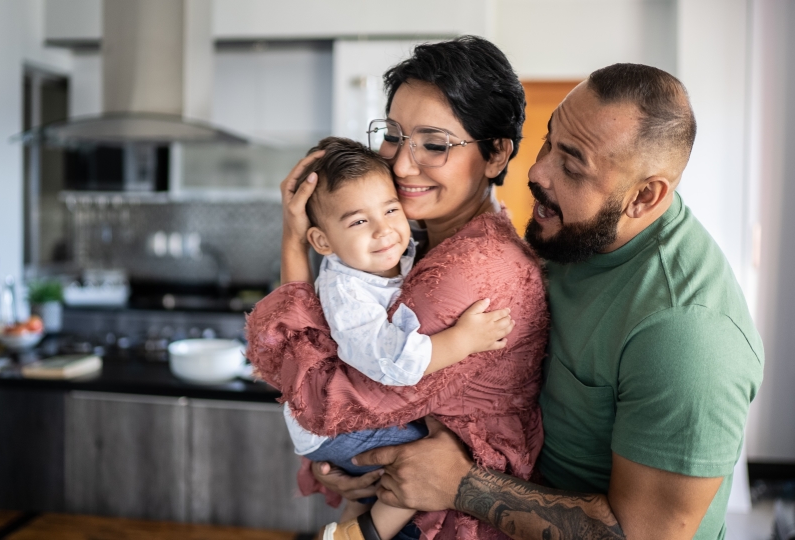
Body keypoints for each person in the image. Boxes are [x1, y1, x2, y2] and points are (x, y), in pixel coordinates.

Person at [351, 64, 765, 540]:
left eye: (571, 165)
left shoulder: (688, 335)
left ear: (645, 197)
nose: (536, 171)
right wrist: (376, 465)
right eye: (548, 141)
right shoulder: (572, 235)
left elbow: (644, 535)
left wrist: (459, 484)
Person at [245, 36, 549, 540]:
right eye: (393, 135)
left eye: (434, 144)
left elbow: (324, 404)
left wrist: (294, 246)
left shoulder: (467, 273)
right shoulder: (415, 243)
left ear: (495, 154)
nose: (402, 166)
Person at [263, 136, 516, 540]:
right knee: (427, 458)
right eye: (359, 221)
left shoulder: (391, 254)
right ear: (323, 243)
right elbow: (392, 363)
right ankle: (361, 533)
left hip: (336, 422)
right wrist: (464, 340)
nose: (385, 231)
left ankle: (355, 516)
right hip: (335, 427)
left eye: (391, 209)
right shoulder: (347, 293)